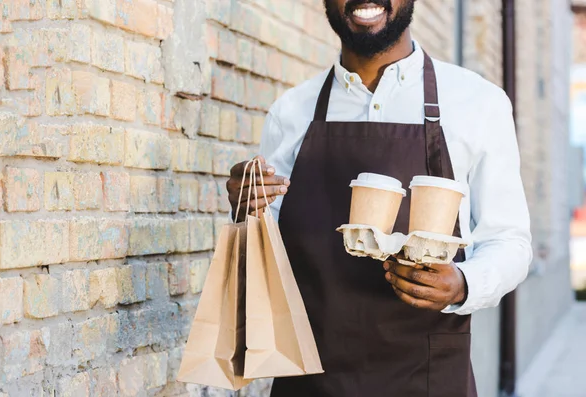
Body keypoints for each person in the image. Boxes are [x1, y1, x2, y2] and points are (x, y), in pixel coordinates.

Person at [227, 0, 532, 396]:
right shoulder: (291, 112)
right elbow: (270, 248)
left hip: (428, 375)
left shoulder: (479, 104)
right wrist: (247, 207)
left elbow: (509, 240)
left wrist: (463, 283)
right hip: (312, 376)